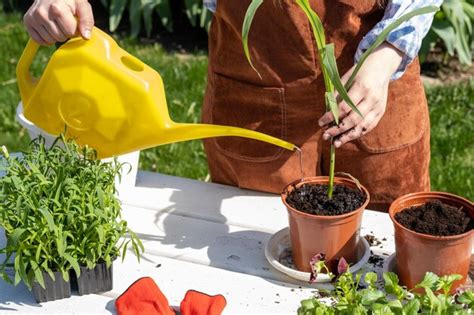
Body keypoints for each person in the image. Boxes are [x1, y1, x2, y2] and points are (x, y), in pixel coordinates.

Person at [23, 0, 442, 211]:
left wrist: (386, 55)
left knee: (389, 258)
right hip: (253, 86)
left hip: (378, 79)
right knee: (247, 252)